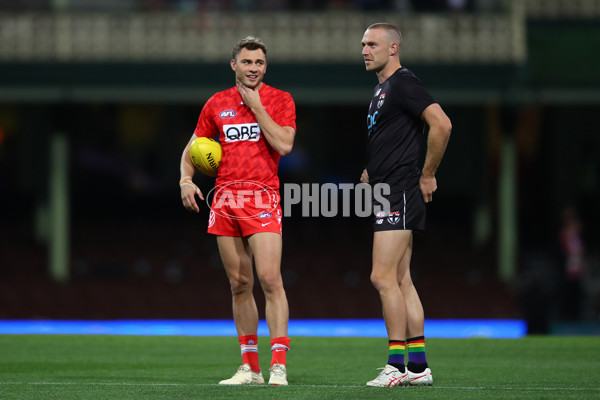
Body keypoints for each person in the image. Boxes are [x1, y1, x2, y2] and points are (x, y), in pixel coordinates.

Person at [179, 36, 296, 386]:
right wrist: (186, 180)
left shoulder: (279, 100)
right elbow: (193, 148)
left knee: (270, 280)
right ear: (234, 65)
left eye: (259, 63)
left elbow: (285, 145)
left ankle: (278, 365)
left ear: (265, 67)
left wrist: (258, 107)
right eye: (247, 62)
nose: (253, 68)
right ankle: (250, 368)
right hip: (225, 199)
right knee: (239, 283)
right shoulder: (217, 103)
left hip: (262, 197)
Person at [359, 23, 452, 387]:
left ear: (393, 47)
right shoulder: (383, 89)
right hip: (388, 188)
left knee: (381, 277)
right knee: (401, 279)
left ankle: (395, 365)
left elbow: (441, 125)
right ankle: (417, 366)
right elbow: (395, 137)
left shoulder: (403, 83)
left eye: (372, 44)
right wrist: (374, 169)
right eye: (363, 44)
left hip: (399, 190)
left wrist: (427, 174)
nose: (364, 50)